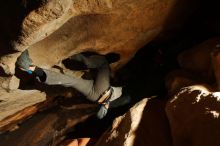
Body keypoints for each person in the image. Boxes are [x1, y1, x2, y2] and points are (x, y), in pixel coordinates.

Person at [16, 50, 131, 119]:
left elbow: (124, 98)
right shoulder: (121, 95)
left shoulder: (125, 95)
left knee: (103, 63)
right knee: (69, 81)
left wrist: (107, 104)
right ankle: (30, 67)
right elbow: (102, 114)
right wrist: (106, 105)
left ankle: (82, 58)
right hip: (95, 97)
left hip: (104, 92)